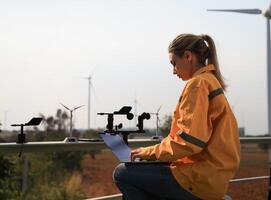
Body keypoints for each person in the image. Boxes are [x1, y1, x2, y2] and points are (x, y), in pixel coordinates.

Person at [113, 33, 240, 200]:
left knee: (122, 173)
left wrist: (147, 152)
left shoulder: (197, 84)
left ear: (188, 56)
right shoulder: (210, 81)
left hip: (200, 179)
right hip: (214, 177)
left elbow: (189, 142)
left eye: (174, 64)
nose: (173, 71)